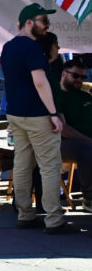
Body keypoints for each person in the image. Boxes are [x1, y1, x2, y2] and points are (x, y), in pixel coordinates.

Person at [0, 3, 71, 233]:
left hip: (16, 113)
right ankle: (54, 218)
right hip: (37, 114)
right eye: (44, 20)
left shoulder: (8, 47)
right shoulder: (32, 48)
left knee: (22, 164)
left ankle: (25, 213)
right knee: (50, 166)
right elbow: (40, 82)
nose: (48, 25)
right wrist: (53, 113)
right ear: (29, 22)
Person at [56, 59, 92, 207]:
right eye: (76, 76)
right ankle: (89, 198)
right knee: (86, 150)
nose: (80, 80)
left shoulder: (85, 96)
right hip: (64, 143)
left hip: (86, 141)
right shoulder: (56, 96)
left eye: (83, 77)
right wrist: (89, 141)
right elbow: (63, 129)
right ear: (64, 74)